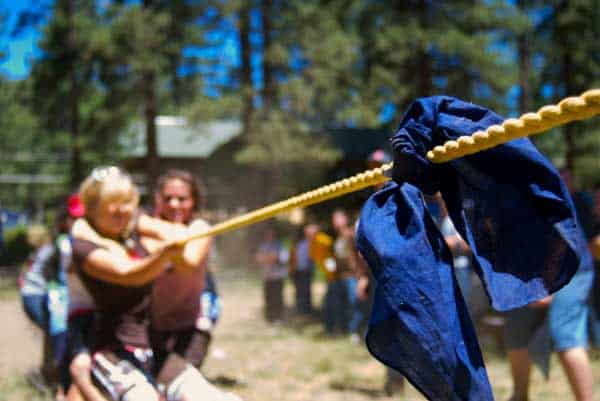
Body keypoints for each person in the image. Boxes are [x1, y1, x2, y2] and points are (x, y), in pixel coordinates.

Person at [504, 168, 595, 401]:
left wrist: (546, 284)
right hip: (534, 272)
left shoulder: (543, 195)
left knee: (566, 336)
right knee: (517, 330)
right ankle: (519, 396)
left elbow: (557, 241)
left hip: (570, 271)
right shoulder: (510, 193)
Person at [149, 169, 221, 383]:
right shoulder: (145, 229)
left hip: (191, 327)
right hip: (151, 328)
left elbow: (189, 263)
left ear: (194, 202)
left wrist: (166, 238)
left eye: (182, 199)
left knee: (175, 383)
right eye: (167, 198)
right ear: (157, 200)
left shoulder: (200, 229)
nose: (174, 205)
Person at [255, 227, 288, 323]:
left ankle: (278, 318)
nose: (269, 236)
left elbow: (280, 258)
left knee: (277, 299)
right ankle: (269, 318)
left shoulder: (280, 245)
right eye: (268, 234)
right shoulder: (263, 246)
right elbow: (258, 258)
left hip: (277, 277)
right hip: (267, 276)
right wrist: (270, 257)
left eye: (271, 234)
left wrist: (268, 257)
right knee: (268, 298)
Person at [291, 224, 318, 315]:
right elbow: (295, 257)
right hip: (298, 271)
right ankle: (300, 311)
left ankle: (306, 311)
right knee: (299, 291)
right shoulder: (301, 243)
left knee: (306, 292)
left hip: (307, 271)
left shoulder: (316, 243)